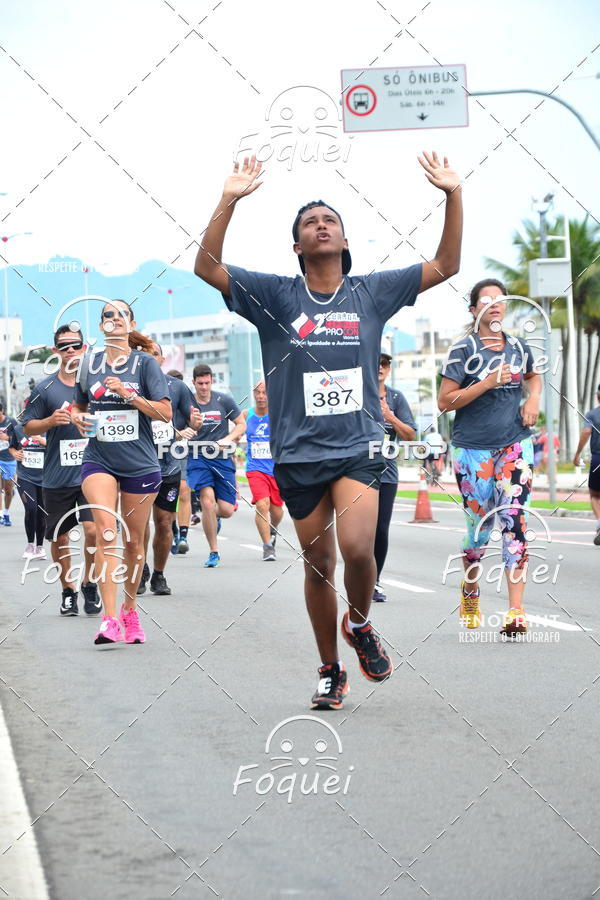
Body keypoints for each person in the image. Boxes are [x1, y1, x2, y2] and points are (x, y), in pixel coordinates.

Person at [194, 151, 462, 708]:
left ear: (343, 241)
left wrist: (452, 194)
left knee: (359, 548)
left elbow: (447, 264)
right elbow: (206, 268)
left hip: (359, 446)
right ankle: (329, 670)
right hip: (298, 453)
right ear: (297, 247)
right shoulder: (274, 296)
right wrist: (228, 200)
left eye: (330, 220)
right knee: (319, 564)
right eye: (310, 223)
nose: (321, 224)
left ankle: (360, 624)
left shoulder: (371, 292)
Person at [438, 278, 542, 635]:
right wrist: (485, 383)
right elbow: (444, 401)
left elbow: (534, 376)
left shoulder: (519, 347)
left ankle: (516, 612)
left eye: (500, 300)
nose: (495, 304)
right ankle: (470, 588)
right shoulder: (462, 351)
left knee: (514, 522)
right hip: (472, 450)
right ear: (474, 310)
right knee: (480, 530)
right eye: (486, 300)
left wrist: (533, 399)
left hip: (514, 444)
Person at [72, 300, 171, 647]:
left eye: (120, 315)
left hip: (140, 463)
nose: (113, 319)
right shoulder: (89, 364)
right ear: (101, 326)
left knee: (133, 541)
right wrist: (77, 418)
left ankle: (130, 609)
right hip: (99, 458)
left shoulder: (145, 364)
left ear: (131, 323)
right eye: (107, 316)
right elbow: (79, 407)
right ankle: (109, 618)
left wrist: (129, 395)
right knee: (106, 533)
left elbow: (164, 414)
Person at [22, 326, 100, 616]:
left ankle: (90, 583)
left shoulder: (96, 385)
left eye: (75, 345)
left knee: (93, 530)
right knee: (61, 538)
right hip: (57, 475)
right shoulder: (45, 388)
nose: (70, 350)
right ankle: (68, 590)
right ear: (55, 351)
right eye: (64, 346)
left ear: (83, 348)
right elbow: (26, 425)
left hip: (94, 472)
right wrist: (50, 422)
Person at [138, 344, 196, 595]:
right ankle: (140, 570)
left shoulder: (178, 387)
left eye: (153, 353)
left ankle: (159, 574)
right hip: (136, 465)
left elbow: (192, 419)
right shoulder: (130, 388)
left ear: (161, 359)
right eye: (143, 353)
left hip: (168, 465)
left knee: (163, 522)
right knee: (138, 524)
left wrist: (194, 424)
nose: (149, 358)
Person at [187, 364, 245, 568]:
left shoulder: (223, 400)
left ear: (212, 381)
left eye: (207, 382)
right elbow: (176, 426)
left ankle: (213, 517)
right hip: (197, 457)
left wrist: (227, 439)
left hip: (221, 458)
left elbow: (241, 424)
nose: (204, 387)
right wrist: (189, 428)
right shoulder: (187, 402)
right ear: (193, 382)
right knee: (208, 501)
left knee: (227, 510)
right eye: (200, 383)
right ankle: (214, 552)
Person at [373, 350, 416, 603]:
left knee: (380, 530)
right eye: (376, 363)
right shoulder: (358, 393)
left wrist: (389, 416)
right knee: (359, 532)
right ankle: (359, 579)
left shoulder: (397, 397)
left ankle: (374, 581)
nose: (380, 367)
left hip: (386, 472)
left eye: (385, 364)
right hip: (357, 472)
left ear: (389, 369)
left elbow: (410, 434)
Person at [243, 379, 285, 561]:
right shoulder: (246, 415)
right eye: (257, 392)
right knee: (262, 504)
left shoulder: (278, 415)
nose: (261, 397)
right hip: (255, 468)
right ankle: (268, 547)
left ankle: (272, 529)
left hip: (277, 470)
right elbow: (236, 431)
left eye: (264, 392)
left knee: (277, 511)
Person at [8, 423, 47, 559]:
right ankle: (30, 545)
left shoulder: (48, 426)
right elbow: (12, 447)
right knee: (31, 509)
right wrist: (15, 453)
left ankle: (40, 547)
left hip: (45, 478)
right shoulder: (19, 429)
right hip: (25, 477)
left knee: (41, 511)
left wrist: (39, 438)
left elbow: (55, 446)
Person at [166, 369, 193, 555]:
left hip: (181, 449)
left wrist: (189, 430)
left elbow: (195, 423)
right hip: (159, 451)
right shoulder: (159, 402)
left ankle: (183, 536)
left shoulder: (186, 402)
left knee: (184, 490)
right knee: (169, 497)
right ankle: (173, 529)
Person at [573, 384, 600, 545]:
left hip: (598, 457)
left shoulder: (593, 414)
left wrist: (577, 454)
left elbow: (586, 432)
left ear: (597, 396)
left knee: (595, 495)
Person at [0, 401, 19, 526]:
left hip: (8, 459)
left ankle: (6, 513)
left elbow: (20, 438)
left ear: (1, 411)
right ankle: (0, 514)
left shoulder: (11, 422)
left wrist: (8, 438)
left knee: (8, 490)